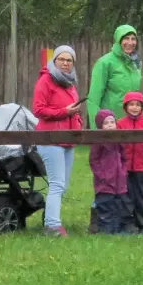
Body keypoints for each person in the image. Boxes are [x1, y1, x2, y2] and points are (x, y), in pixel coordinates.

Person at [32, 44, 85, 237]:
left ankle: (51, 219)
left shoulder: (70, 83)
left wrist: (75, 116)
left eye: (69, 60)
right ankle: (52, 226)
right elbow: (38, 110)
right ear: (54, 61)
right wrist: (65, 112)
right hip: (50, 138)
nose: (65, 63)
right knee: (57, 183)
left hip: (68, 138)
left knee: (63, 183)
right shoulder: (46, 80)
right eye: (61, 59)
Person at [116, 92, 143, 232]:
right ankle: (128, 224)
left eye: (137, 105)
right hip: (125, 168)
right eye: (131, 104)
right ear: (125, 107)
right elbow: (116, 148)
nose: (134, 108)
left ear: (142, 108)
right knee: (126, 196)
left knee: (142, 197)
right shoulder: (120, 124)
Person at [89, 109, 134, 236]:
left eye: (112, 122)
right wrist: (102, 175)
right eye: (106, 123)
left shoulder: (118, 140)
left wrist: (123, 171)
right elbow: (94, 160)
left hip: (119, 180)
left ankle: (118, 228)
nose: (110, 125)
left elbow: (124, 157)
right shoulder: (98, 142)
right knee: (105, 205)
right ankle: (106, 229)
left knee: (120, 204)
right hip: (105, 182)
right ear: (100, 126)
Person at [88, 25, 142, 118]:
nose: (130, 42)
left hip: (131, 122)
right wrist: (96, 127)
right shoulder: (105, 62)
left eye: (133, 39)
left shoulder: (135, 63)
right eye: (126, 38)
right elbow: (93, 99)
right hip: (111, 123)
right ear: (118, 40)